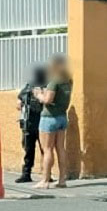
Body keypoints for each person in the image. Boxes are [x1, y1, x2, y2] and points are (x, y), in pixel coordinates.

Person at [32, 54, 72, 189]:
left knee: (47, 149)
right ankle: (62, 180)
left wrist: (39, 95)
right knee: (61, 148)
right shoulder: (68, 80)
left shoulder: (54, 82)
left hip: (49, 118)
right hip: (62, 117)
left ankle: (45, 180)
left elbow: (48, 100)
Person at [14, 64, 48, 183]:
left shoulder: (47, 86)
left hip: (42, 123)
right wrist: (22, 102)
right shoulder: (29, 86)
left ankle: (46, 174)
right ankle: (27, 174)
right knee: (29, 150)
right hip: (30, 123)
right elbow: (18, 101)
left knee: (45, 150)